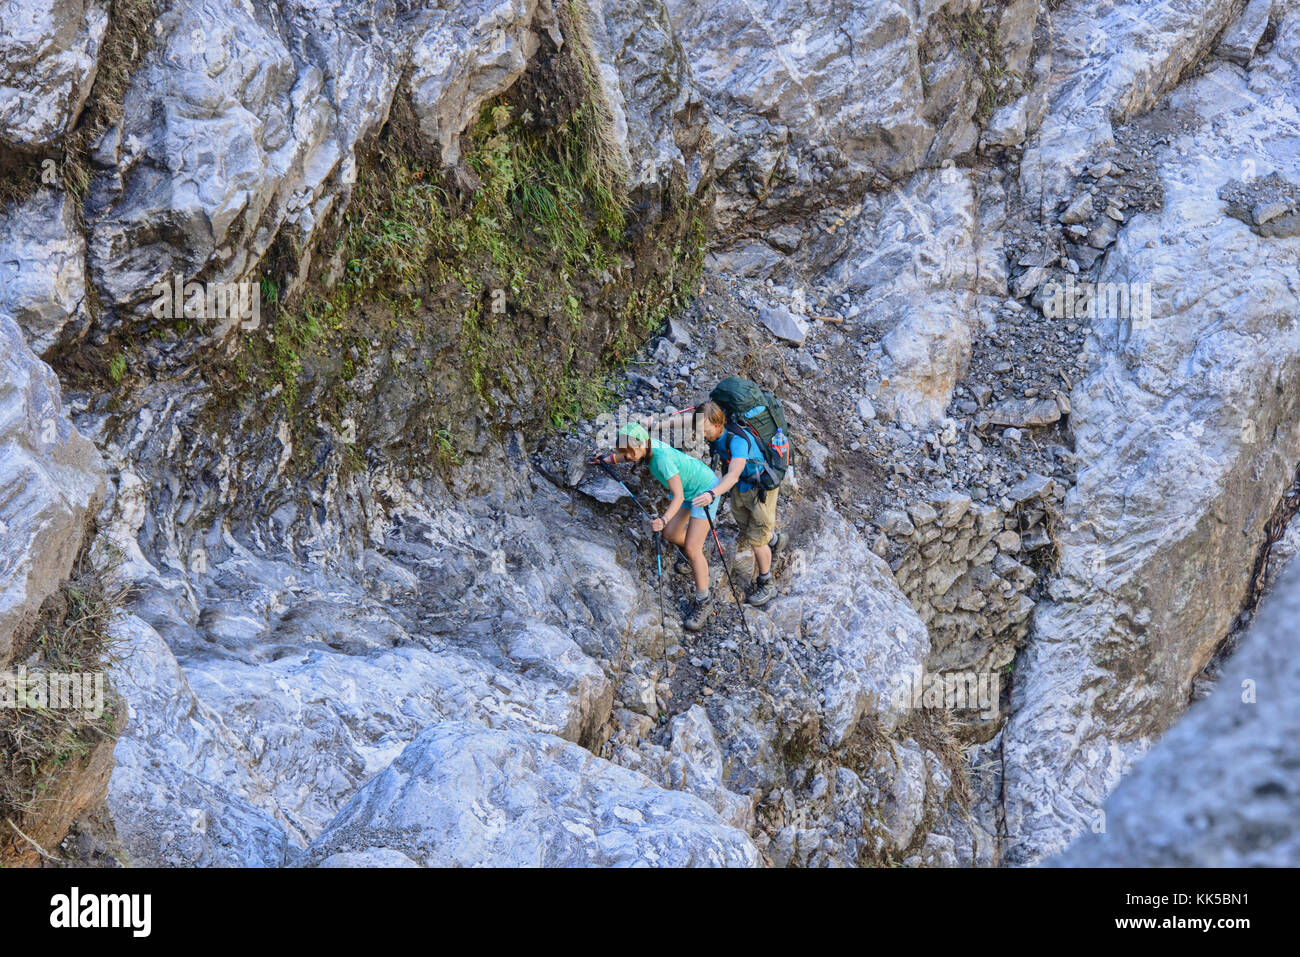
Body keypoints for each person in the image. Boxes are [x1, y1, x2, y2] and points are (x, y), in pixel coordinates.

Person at [606, 423, 721, 631]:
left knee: (692, 548)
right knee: (671, 534)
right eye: (625, 452)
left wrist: (663, 519)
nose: (629, 456)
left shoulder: (662, 460)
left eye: (632, 451)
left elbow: (677, 497)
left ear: (642, 444)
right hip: (688, 490)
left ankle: (704, 600)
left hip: (704, 490)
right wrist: (608, 460)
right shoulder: (645, 448)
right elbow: (628, 455)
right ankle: (697, 552)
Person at [692, 401, 786, 605]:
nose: (703, 436)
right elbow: (683, 420)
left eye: (706, 431)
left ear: (719, 424)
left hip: (760, 490)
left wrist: (712, 494)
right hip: (742, 488)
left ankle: (766, 582)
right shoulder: (712, 429)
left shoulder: (738, 442)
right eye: (701, 431)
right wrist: (654, 424)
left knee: (757, 540)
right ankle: (776, 541)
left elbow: (733, 474)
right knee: (747, 528)